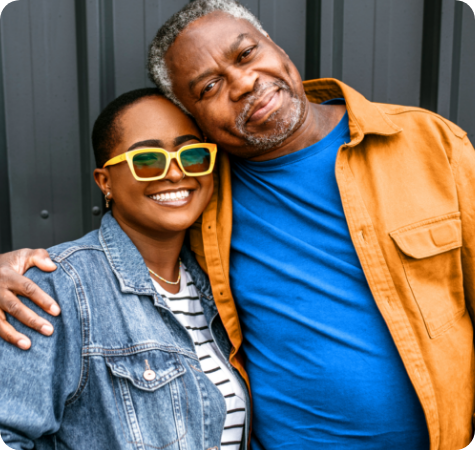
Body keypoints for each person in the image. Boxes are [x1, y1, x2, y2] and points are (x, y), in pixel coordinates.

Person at [0, 0, 473, 448]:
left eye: (247, 53)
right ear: (199, 117)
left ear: (276, 47)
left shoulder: (430, 144)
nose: (244, 82)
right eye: (209, 87)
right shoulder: (205, 187)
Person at [0, 88, 250, 450]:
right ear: (106, 182)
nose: (177, 173)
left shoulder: (220, 285)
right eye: (148, 160)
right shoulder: (57, 289)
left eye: (193, 154)